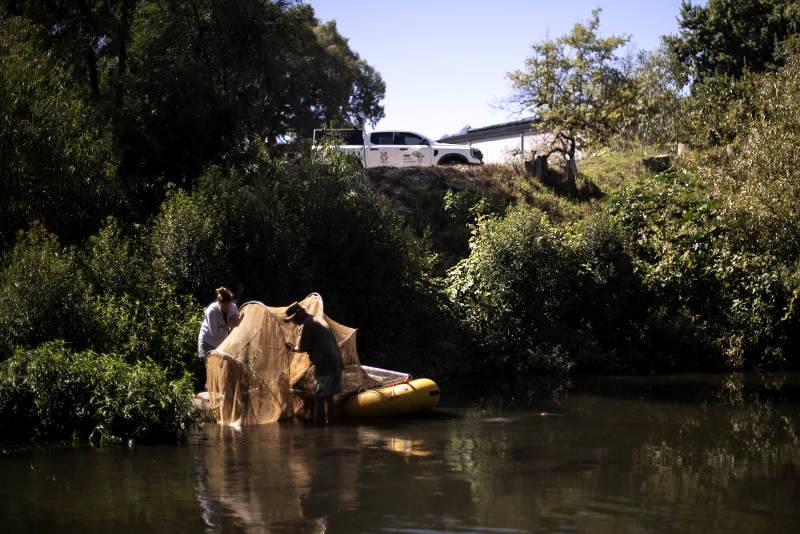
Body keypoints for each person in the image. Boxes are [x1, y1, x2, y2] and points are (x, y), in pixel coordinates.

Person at [284, 302, 343, 425]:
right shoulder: (317, 320)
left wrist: (291, 348)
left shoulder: (307, 324)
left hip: (324, 364)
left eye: (293, 319)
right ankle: (330, 428)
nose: (293, 322)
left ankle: (318, 434)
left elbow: (302, 347)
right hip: (336, 362)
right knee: (329, 398)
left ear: (300, 313)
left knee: (319, 397)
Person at [197, 287, 240, 359]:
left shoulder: (233, 307)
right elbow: (214, 333)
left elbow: (234, 327)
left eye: (228, 305)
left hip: (222, 342)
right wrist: (229, 323)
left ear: (231, 302)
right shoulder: (212, 311)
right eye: (224, 306)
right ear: (219, 302)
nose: (226, 309)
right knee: (207, 367)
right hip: (207, 342)